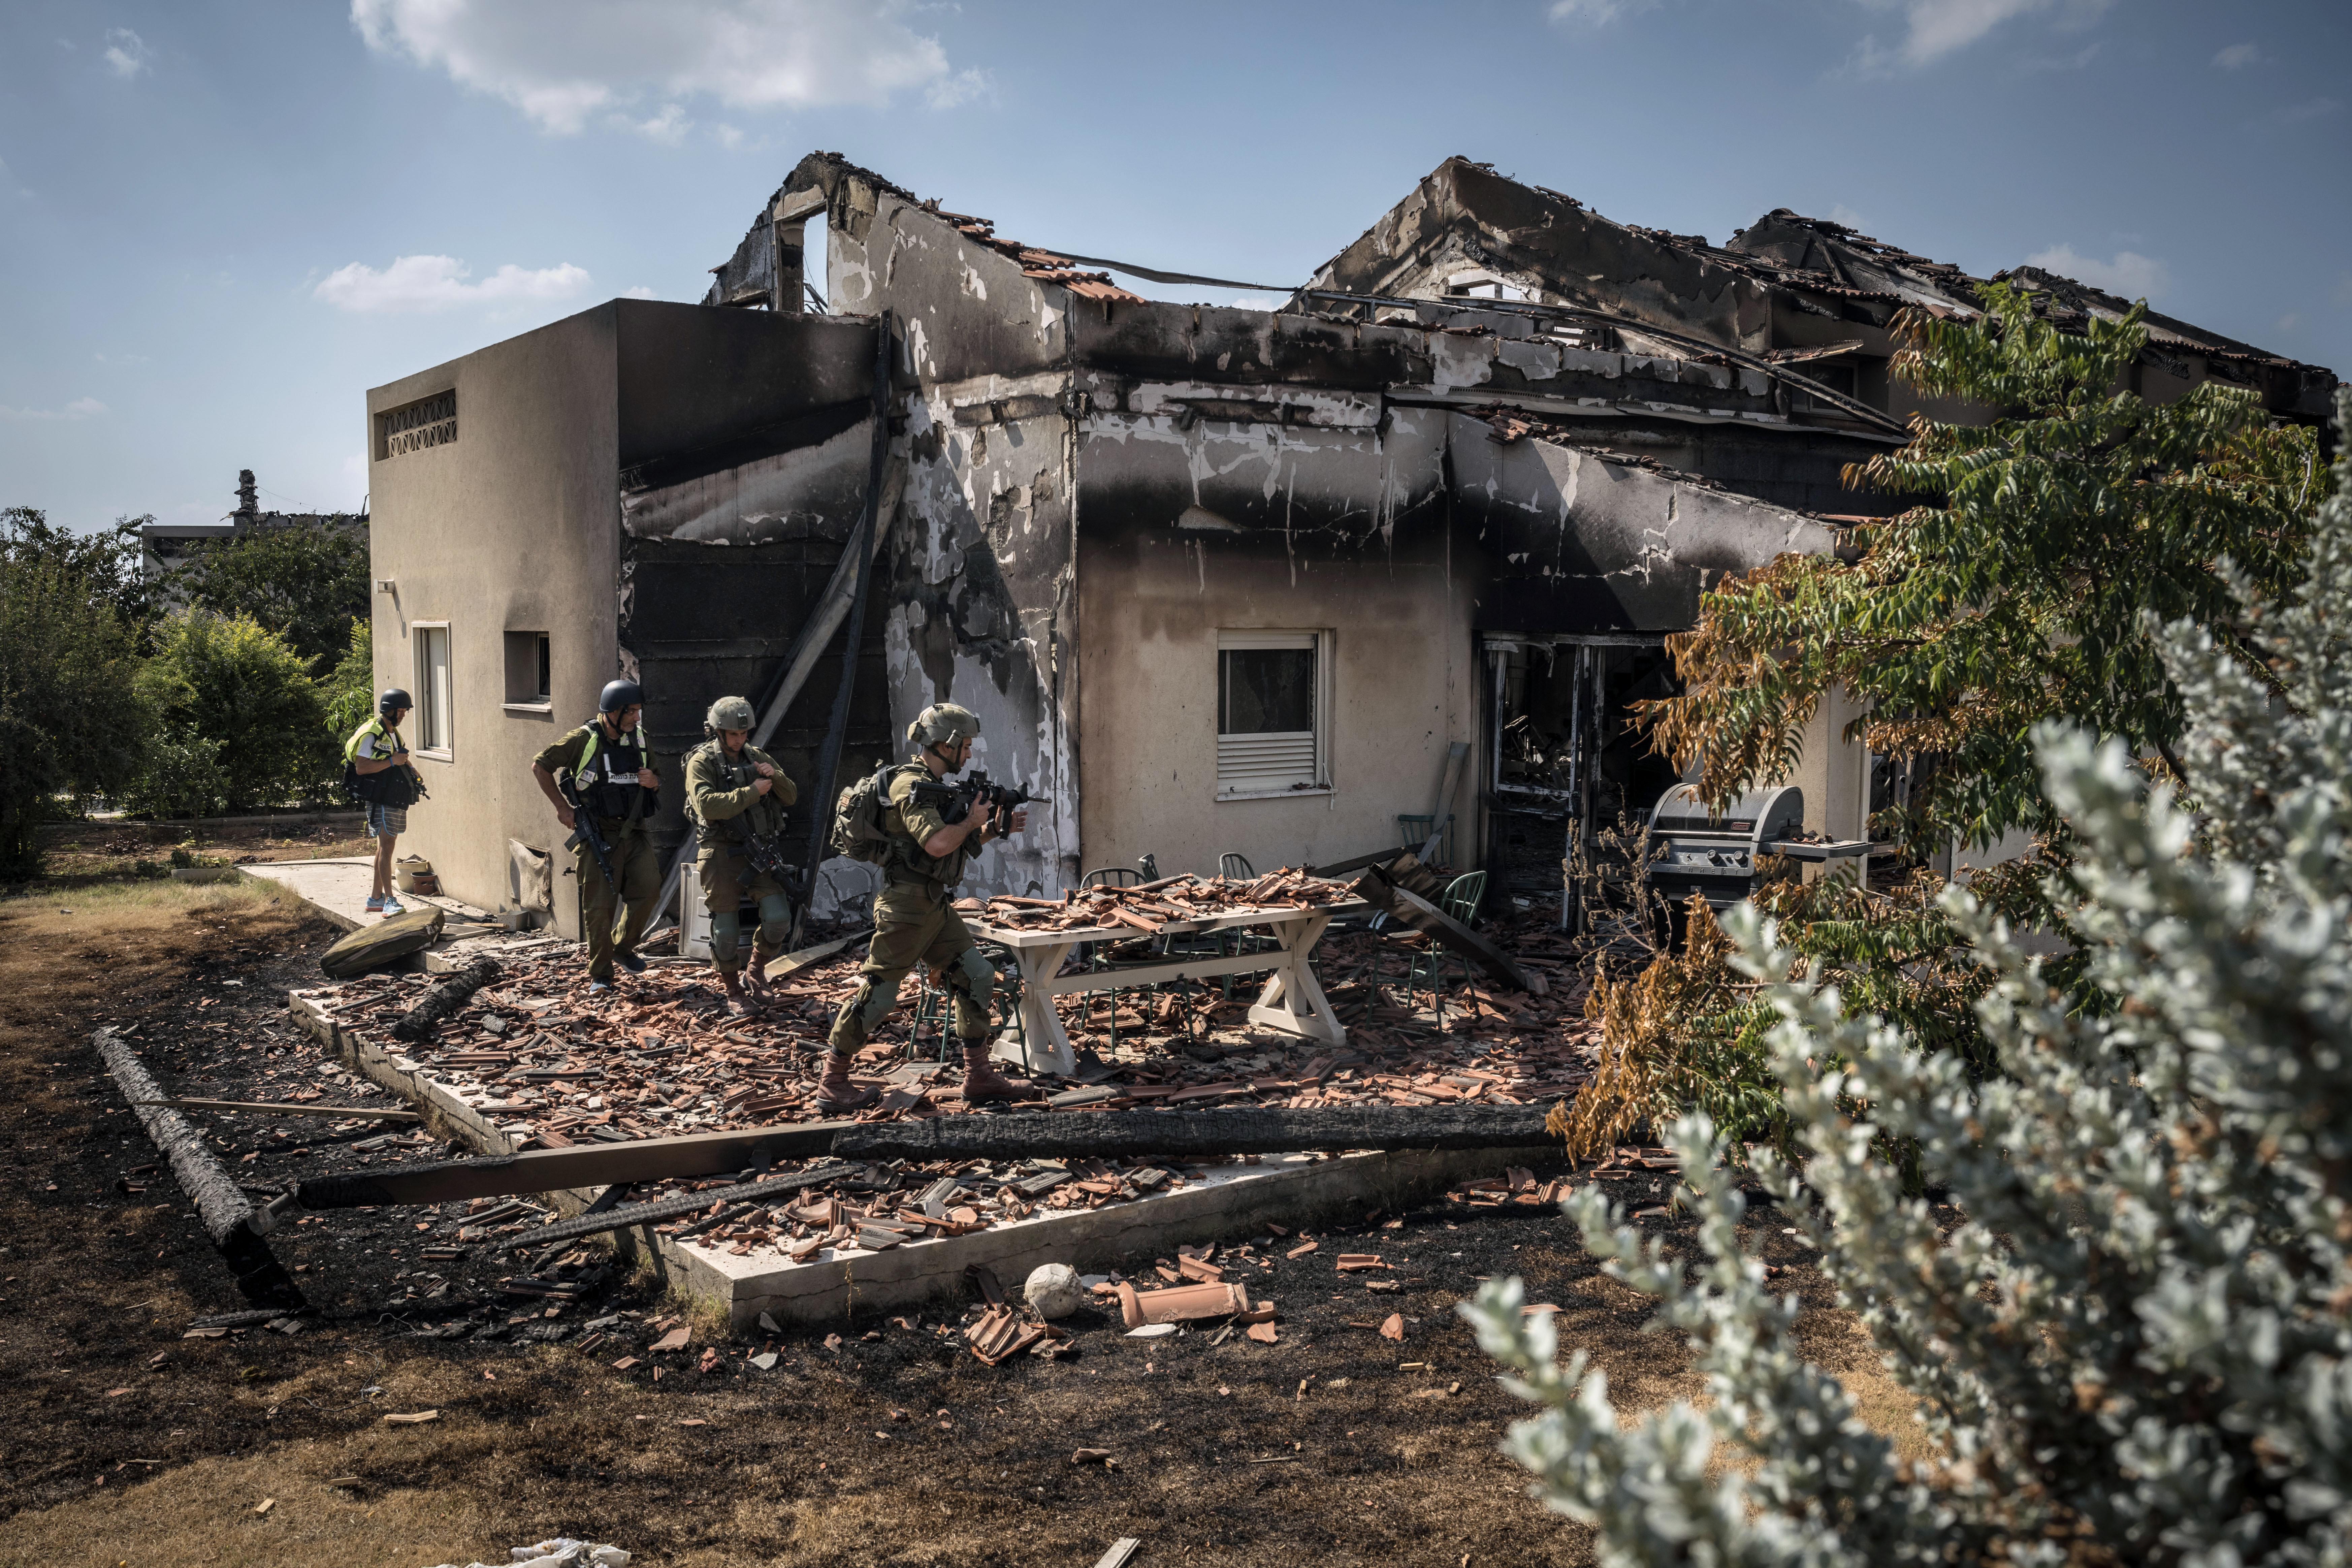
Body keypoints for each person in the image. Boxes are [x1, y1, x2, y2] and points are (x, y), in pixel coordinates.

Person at [819, 702, 1030, 1111]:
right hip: (906, 907)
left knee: (977, 975)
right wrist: (971, 822)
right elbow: (936, 843)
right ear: (946, 744)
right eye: (965, 746)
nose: (969, 754)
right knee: (879, 996)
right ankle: (833, 1081)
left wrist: (989, 829)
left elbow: (943, 848)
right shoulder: (911, 786)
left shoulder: (937, 787)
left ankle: (978, 1075)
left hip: (934, 904)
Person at [531, 678, 663, 993]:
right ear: (614, 712)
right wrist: (563, 809)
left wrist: (653, 781)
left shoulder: (640, 740)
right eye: (632, 712)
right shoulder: (583, 739)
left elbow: (656, 778)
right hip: (598, 834)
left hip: (634, 831)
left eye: (639, 711)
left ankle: (622, 947)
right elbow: (540, 766)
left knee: (649, 890)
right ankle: (601, 974)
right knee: (599, 906)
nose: (637, 719)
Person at [684, 695, 796, 1016]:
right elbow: (706, 805)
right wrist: (752, 792)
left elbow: (790, 797)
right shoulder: (702, 762)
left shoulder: (756, 755)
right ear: (717, 732)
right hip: (720, 853)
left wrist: (773, 776)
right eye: (732, 734)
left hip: (759, 851)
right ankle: (733, 989)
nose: (738, 740)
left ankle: (757, 970)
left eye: (743, 734)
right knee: (726, 932)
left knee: (778, 919)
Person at [345, 688, 421, 917]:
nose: (404, 715)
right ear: (389, 711)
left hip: (393, 794)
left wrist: (411, 769)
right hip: (379, 797)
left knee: (385, 846)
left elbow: (400, 757)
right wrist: (392, 761)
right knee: (387, 847)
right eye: (401, 711)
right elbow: (361, 767)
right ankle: (389, 900)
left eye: (405, 711)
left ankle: (376, 898)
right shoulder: (372, 734)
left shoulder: (392, 734)